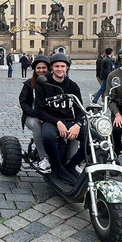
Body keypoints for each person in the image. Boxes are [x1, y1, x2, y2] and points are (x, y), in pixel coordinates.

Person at [34, 53, 88, 184]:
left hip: (70, 121)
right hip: (51, 121)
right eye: (57, 66)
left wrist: (77, 125)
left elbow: (80, 110)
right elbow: (39, 111)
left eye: (63, 66)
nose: (60, 69)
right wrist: (57, 122)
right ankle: (57, 167)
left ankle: (72, 164)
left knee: (95, 139)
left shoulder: (73, 86)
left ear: (67, 68)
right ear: (52, 67)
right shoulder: (43, 84)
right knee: (47, 136)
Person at [19, 55, 52, 173]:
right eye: (38, 68)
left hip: (49, 117)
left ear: (48, 68)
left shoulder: (53, 83)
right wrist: (36, 114)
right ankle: (44, 158)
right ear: (34, 69)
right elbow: (23, 103)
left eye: (44, 68)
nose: (41, 70)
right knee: (38, 124)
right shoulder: (29, 84)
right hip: (32, 117)